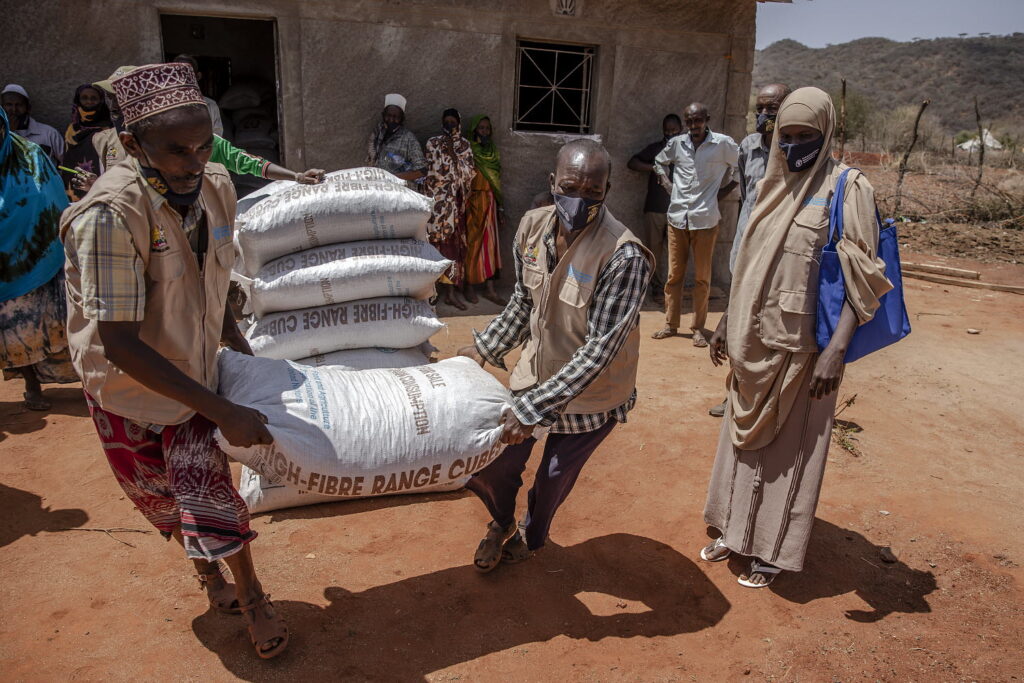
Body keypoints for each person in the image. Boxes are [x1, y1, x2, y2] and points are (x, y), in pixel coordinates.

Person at [60, 63, 287, 659]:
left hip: (195, 376)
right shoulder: (110, 216)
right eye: (175, 150)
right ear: (133, 145)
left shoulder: (214, 186)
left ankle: (254, 595)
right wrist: (224, 410)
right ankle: (207, 575)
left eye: (203, 144)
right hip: (128, 386)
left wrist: (237, 346)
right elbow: (121, 342)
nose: (193, 161)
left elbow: (210, 278)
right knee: (160, 497)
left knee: (208, 490)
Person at [700, 87, 892, 588]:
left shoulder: (847, 189)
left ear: (826, 134)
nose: (794, 144)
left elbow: (864, 277)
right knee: (740, 447)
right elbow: (748, 264)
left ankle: (772, 549)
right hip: (751, 341)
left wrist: (836, 349)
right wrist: (725, 321)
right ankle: (733, 530)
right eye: (787, 135)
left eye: (806, 135)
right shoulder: (771, 183)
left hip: (804, 351)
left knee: (790, 453)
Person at [458, 139, 652, 573]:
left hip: (592, 395)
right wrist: (487, 348)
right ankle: (502, 523)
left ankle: (530, 536)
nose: (578, 201)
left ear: (607, 191)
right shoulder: (531, 227)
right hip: (534, 376)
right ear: (552, 182)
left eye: (592, 192)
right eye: (569, 187)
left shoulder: (624, 255)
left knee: (551, 478)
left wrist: (533, 409)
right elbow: (524, 302)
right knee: (496, 463)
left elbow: (601, 348)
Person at [74, 66, 325, 195]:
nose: (113, 103)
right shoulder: (109, 140)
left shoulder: (192, 140)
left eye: (117, 96)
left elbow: (243, 161)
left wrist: (297, 176)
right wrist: (98, 187)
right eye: (111, 97)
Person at [709, 83, 791, 418]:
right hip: (745, 256)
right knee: (741, 330)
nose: (764, 115)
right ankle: (737, 396)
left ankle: (771, 399)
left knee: (771, 332)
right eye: (761, 108)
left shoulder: (797, 152)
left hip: (779, 261)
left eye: (772, 109)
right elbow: (746, 198)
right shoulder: (748, 147)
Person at [0, 108, 77, 410]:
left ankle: (84, 382)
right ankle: (31, 384)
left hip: (43, 255)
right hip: (6, 269)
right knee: (16, 329)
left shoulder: (30, 154)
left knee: (57, 323)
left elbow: (51, 195)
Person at [651, 103, 738, 347]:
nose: (693, 126)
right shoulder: (678, 143)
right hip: (677, 218)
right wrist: (667, 185)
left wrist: (719, 194)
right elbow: (659, 162)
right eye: (688, 121)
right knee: (673, 275)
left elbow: (740, 168)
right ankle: (670, 324)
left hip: (706, 221)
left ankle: (698, 328)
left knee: (702, 278)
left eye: (697, 120)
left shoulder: (722, 144)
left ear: (707, 119)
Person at [627, 113, 683, 305]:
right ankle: (657, 288)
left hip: (679, 210)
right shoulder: (657, 149)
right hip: (655, 209)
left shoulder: (688, 150)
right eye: (667, 131)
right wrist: (654, 168)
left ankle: (673, 289)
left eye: (674, 130)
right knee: (654, 252)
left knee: (676, 253)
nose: (670, 134)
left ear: (681, 130)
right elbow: (632, 163)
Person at [423, 108, 475, 310]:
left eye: (453, 122)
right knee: (435, 246)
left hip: (455, 206)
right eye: (447, 121)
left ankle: (451, 292)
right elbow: (431, 172)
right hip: (436, 205)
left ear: (459, 124)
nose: (450, 125)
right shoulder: (432, 143)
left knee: (453, 248)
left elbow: (468, 174)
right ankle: (432, 291)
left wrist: (453, 154)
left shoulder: (464, 146)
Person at [463, 114, 506, 305]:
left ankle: (490, 289)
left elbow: (496, 182)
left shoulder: (493, 152)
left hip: (490, 202)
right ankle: (468, 286)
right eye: (481, 128)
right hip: (473, 202)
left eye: (487, 128)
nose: (485, 132)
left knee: (491, 246)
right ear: (474, 131)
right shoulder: (469, 151)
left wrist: (501, 207)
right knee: (472, 245)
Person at [60, 84, 112, 200]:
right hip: (72, 191)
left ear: (101, 101)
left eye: (94, 98)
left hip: (100, 191)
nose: (89, 101)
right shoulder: (71, 130)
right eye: (84, 98)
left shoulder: (109, 130)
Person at [366, 93, 427, 183]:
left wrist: (393, 178)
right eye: (388, 115)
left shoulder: (408, 138)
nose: (391, 119)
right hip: (377, 185)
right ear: (383, 115)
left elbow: (422, 171)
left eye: (395, 117)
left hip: (397, 190)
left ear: (401, 119)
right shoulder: (378, 132)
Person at [1, 84, 65, 165]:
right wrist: (9, 132)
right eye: (8, 105)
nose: (14, 110)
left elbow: (66, 163)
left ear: (28, 108)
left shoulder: (49, 133)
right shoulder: (1, 136)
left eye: (19, 105)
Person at [173, 54, 224, 136]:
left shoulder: (210, 106)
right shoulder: (165, 106)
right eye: (177, 73)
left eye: (187, 73)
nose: (182, 78)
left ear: (198, 76)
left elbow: (217, 138)